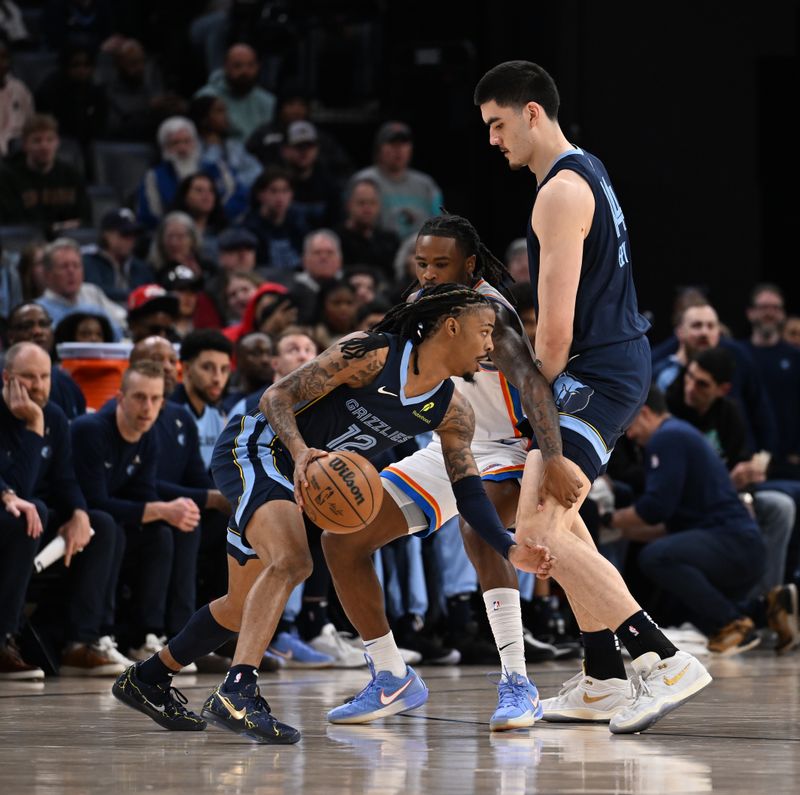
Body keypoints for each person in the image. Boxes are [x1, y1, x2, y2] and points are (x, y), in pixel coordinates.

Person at [111, 284, 556, 743]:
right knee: (294, 561)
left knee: (242, 606)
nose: (491, 345)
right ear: (451, 326)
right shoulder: (371, 353)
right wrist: (302, 453)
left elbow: (469, 494)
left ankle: (147, 678)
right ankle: (238, 691)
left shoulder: (453, 410)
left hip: (302, 476)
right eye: (485, 331)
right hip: (260, 449)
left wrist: (509, 546)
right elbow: (275, 397)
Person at [474, 60, 711, 733]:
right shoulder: (587, 169)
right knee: (556, 522)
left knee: (540, 528)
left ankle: (662, 658)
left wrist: (532, 399)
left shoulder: (556, 193)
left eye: (496, 124)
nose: (492, 140)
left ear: (530, 113)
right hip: (609, 365)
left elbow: (554, 331)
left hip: (594, 375)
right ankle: (604, 673)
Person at [323, 214, 581, 729]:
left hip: (510, 446)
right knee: (341, 539)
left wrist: (551, 457)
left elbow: (531, 385)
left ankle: (518, 683)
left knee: (477, 530)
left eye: (441, 263)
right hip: (450, 445)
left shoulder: (492, 313)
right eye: (422, 263)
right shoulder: (419, 305)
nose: (429, 273)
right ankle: (392, 676)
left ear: (468, 263)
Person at [1, 342, 129, 676]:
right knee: (31, 511)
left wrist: (78, 512)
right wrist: (32, 425)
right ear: (7, 378)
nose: (39, 385)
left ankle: (80, 643)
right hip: (12, 519)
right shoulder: (33, 417)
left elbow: (65, 477)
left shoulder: (54, 416)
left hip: (33, 523)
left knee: (101, 525)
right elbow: (20, 488)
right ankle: (4, 639)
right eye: (28, 377)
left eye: (44, 376)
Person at [611, 386, 768, 653]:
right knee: (683, 615)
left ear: (645, 413)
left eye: (629, 427)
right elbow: (665, 525)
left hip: (731, 543)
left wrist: (608, 520)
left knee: (656, 557)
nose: (632, 436)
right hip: (735, 546)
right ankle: (766, 608)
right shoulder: (679, 433)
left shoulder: (666, 438)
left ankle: (734, 623)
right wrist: (621, 530)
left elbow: (654, 509)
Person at [71, 361, 202, 661]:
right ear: (120, 398)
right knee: (108, 525)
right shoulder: (91, 430)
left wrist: (169, 511)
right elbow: (94, 501)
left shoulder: (148, 435)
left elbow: (143, 493)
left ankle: (147, 636)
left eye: (155, 399)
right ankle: (91, 638)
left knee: (161, 533)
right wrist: (159, 508)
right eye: (140, 397)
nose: (148, 407)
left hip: (116, 523)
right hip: (75, 520)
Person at [351, 121, 443, 241]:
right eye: (392, 143)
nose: (398, 149)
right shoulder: (364, 181)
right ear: (379, 148)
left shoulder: (427, 185)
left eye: (403, 144)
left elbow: (441, 228)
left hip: (420, 254)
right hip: (378, 251)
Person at [0, 114, 91, 234]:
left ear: (57, 142)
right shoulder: (8, 177)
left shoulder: (72, 175)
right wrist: (55, 227)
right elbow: (14, 224)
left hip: (67, 243)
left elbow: (84, 219)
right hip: (27, 243)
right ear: (25, 145)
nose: (44, 146)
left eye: (50, 139)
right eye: (37, 140)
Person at [169, 329, 232, 469]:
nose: (217, 378)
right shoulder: (167, 412)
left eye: (224, 369)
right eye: (207, 367)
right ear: (186, 369)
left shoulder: (220, 417)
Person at [81, 209, 155, 304]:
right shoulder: (89, 262)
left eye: (134, 235)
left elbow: (152, 292)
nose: (130, 240)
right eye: (125, 234)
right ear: (107, 235)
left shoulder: (140, 267)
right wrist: (135, 295)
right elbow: (94, 292)